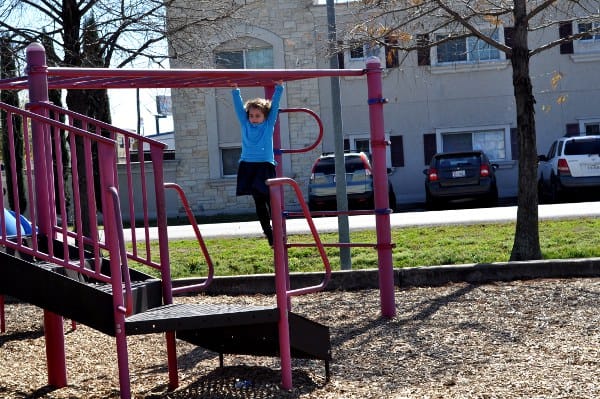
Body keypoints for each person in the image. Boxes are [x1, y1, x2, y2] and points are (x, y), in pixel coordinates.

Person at [231, 81, 284, 246]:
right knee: (259, 204)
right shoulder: (245, 124)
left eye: (257, 116)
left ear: (265, 116)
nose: (254, 119)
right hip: (248, 166)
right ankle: (269, 234)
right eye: (252, 115)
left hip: (265, 166)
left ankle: (277, 232)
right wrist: (235, 90)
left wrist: (279, 88)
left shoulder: (269, 125)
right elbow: (239, 109)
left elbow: (274, 106)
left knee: (272, 202)